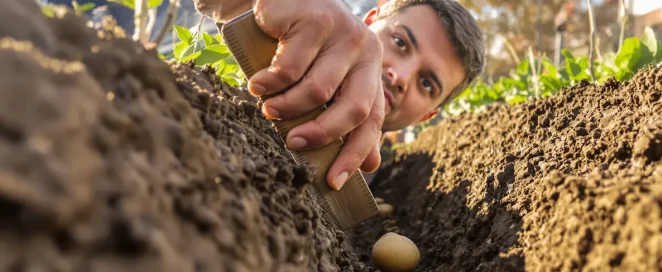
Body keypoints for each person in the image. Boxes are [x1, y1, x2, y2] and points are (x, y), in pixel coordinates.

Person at [193, 0, 485, 190]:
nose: (401, 76)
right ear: (368, 22)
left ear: (427, 116)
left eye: (427, 84)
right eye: (400, 42)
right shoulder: (260, 68)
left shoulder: (371, 180)